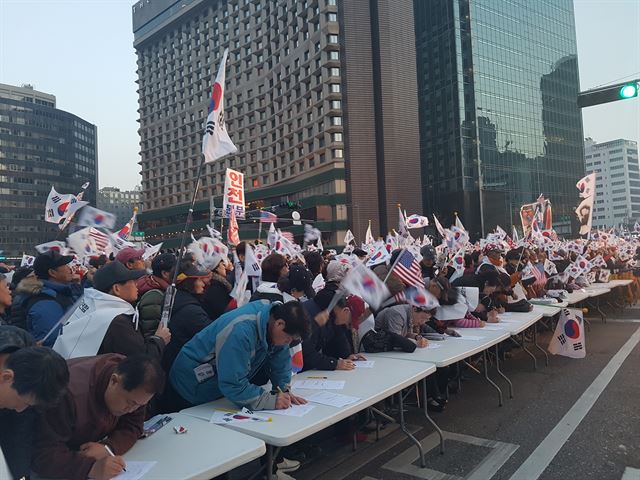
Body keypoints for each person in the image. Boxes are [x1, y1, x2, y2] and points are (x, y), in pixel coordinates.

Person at [33, 353, 164, 480]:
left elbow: (133, 426)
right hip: (57, 461)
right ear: (114, 381)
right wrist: (91, 468)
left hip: (84, 448)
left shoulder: (138, 384)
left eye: (140, 405)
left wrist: (108, 447)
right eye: (130, 403)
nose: (131, 410)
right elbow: (43, 455)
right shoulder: (67, 396)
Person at [169, 301, 310, 410]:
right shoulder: (240, 332)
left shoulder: (274, 323)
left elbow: (280, 360)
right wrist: (270, 401)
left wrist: (283, 390)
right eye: (289, 338)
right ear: (280, 324)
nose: (288, 343)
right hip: (191, 385)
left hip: (218, 386)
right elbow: (233, 384)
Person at [0, 326, 69, 479]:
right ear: (6, 377)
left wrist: (21, 476)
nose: (20, 410)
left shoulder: (33, 365)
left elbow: (20, 434)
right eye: (24, 402)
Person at [93, 261, 171, 362]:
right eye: (132, 281)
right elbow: (140, 360)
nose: (136, 284)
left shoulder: (105, 311)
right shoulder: (118, 321)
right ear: (117, 289)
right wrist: (159, 340)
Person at [23, 251, 83, 346]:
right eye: (65, 265)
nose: (70, 268)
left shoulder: (60, 293)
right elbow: (54, 342)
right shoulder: (45, 303)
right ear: (52, 272)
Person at [161, 262, 211, 373]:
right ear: (188, 282)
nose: (203, 283)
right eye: (198, 279)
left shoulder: (173, 298)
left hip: (174, 363)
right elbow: (211, 336)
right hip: (186, 367)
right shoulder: (191, 311)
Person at [301, 288, 366, 371]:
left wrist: (347, 356)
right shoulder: (313, 315)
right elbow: (307, 352)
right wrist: (334, 364)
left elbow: (339, 338)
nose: (346, 325)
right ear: (345, 311)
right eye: (349, 322)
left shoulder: (334, 315)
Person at [137, 252, 177, 338]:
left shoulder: (156, 285)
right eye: (176, 270)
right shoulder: (154, 297)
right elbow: (151, 332)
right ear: (165, 273)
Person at [201, 252, 234, 320]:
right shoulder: (215, 287)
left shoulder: (219, 282)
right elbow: (223, 310)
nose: (225, 267)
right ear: (216, 268)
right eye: (222, 264)